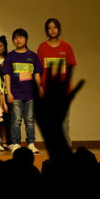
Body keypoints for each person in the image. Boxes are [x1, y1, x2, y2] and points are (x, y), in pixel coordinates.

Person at [37, 17, 77, 146]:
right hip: (48, 91)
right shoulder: (42, 48)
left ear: (59, 29)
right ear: (46, 30)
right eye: (49, 28)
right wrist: (40, 87)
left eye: (55, 27)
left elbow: (70, 71)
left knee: (64, 122)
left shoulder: (66, 47)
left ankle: (67, 146)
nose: (52, 30)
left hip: (63, 91)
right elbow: (39, 70)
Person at [2, 28, 42, 154]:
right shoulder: (10, 56)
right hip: (16, 93)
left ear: (26, 39)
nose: (18, 40)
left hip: (30, 93)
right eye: (15, 38)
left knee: (30, 120)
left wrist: (39, 87)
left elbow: (36, 74)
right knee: (16, 120)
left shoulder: (32, 56)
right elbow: (7, 75)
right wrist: (9, 92)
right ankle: (15, 143)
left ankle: (31, 143)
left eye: (21, 37)